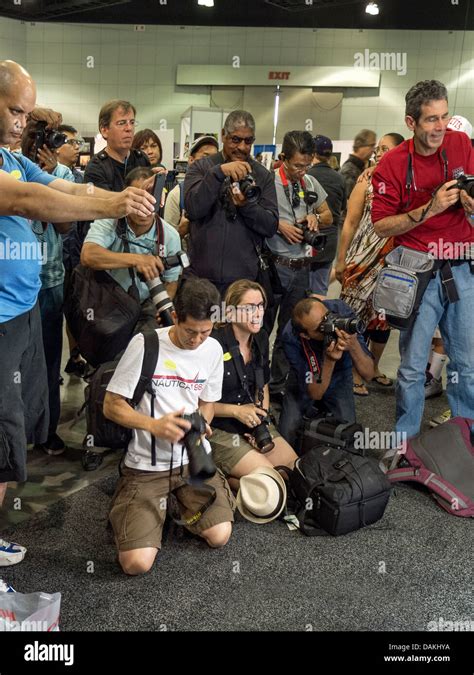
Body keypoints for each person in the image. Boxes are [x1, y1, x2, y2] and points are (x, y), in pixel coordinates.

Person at [0, 60, 155, 572]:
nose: (22, 122)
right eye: (14, 110)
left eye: (26, 112)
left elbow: (65, 191)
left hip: (19, 314)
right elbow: (28, 199)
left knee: (12, 436)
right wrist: (113, 205)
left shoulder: (12, 156)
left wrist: (115, 197)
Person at [103, 278, 235, 575]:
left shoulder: (213, 349)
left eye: (205, 332)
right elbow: (111, 405)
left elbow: (207, 403)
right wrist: (153, 425)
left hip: (192, 462)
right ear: (175, 316)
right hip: (146, 468)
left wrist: (201, 423)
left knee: (219, 536)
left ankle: (171, 506)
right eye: (190, 331)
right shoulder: (146, 344)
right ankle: (139, 507)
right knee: (136, 565)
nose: (197, 340)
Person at [371, 80, 474, 439]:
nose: (440, 127)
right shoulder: (393, 163)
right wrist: (429, 209)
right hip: (416, 271)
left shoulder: (460, 143)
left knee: (467, 364)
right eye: (431, 119)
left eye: (445, 116)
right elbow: (382, 226)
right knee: (413, 367)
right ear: (411, 123)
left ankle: (465, 439)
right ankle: (404, 444)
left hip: (462, 266)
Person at [20, 117, 77, 456]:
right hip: (11, 284)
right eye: (35, 134)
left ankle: (47, 429)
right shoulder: (10, 166)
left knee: (48, 361)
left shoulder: (64, 175)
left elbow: (67, 225)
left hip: (49, 280)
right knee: (14, 362)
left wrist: (51, 176)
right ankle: (16, 431)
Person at [335, 132, 405, 397]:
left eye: (385, 148)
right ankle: (352, 372)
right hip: (360, 261)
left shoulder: (405, 183)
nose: (378, 152)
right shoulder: (367, 180)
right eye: (378, 148)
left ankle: (372, 368)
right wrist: (341, 260)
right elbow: (350, 223)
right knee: (354, 317)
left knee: (382, 320)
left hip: (391, 263)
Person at [210, 279, 297, 490]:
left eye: (260, 306)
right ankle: (221, 476)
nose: (258, 313)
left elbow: (263, 384)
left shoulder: (260, 338)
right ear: (230, 313)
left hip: (251, 421)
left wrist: (261, 418)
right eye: (249, 307)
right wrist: (236, 412)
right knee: (271, 484)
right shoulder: (212, 344)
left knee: (295, 472)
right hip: (219, 427)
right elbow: (194, 403)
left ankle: (240, 474)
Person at [265, 130, 332, 396]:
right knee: (261, 327)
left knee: (290, 330)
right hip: (272, 265)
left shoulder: (310, 184)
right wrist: (277, 225)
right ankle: (256, 386)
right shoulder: (268, 183)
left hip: (301, 268)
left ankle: (278, 384)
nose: (302, 171)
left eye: (307, 165)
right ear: (282, 158)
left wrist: (315, 217)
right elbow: (252, 216)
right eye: (296, 166)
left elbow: (329, 215)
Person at [183, 109, 278, 295]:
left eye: (248, 141)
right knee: (201, 325)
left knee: (237, 325)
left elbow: (270, 226)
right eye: (236, 139)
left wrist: (247, 206)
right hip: (200, 279)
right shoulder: (202, 168)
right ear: (223, 135)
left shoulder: (262, 175)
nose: (242, 147)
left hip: (242, 283)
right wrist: (218, 174)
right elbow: (193, 209)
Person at [81, 166, 182, 329]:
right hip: (108, 302)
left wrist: (163, 307)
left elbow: (171, 281)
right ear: (126, 196)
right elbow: (88, 255)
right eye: (138, 199)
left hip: (146, 307)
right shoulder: (110, 221)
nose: (144, 208)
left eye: (150, 198)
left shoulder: (169, 236)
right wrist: (136, 260)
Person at [278, 296, 375, 449]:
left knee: (348, 438)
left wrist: (354, 344)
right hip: (307, 376)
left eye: (328, 317)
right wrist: (329, 361)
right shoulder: (291, 336)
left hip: (340, 375)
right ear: (306, 335)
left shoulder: (341, 310)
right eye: (321, 327)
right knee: (287, 437)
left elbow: (369, 374)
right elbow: (315, 393)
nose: (330, 324)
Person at [307, 134, 347, 294]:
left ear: (312, 153)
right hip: (329, 242)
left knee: (299, 293)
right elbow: (343, 207)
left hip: (308, 238)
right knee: (320, 292)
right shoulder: (339, 178)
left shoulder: (306, 177)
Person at [164, 135, 218, 241]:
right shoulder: (177, 195)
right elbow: (166, 242)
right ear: (191, 160)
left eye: (215, 158)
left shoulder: (223, 191)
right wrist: (181, 231)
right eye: (205, 157)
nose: (211, 163)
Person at [340, 129, 376, 199]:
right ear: (360, 145)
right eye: (371, 145)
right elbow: (349, 199)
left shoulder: (358, 167)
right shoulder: (350, 170)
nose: (373, 149)